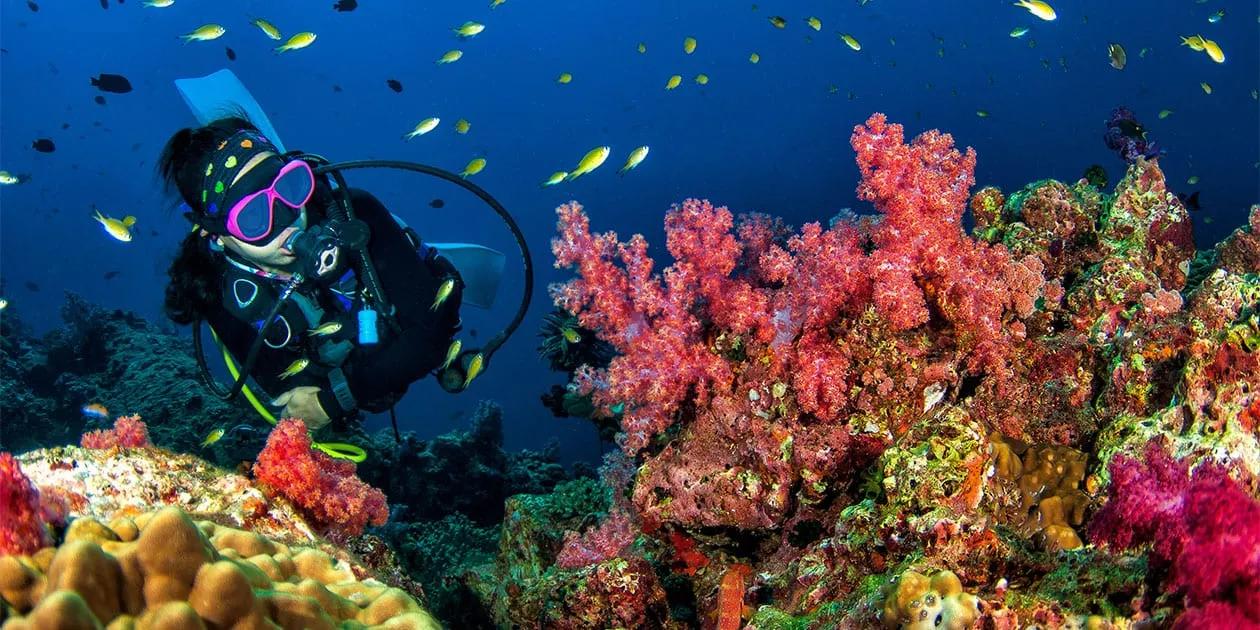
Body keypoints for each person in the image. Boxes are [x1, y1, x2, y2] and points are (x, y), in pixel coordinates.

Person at [158, 115, 464, 430]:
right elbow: (295, 398)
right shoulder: (217, 293)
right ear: (215, 234)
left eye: (289, 188)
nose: (287, 219)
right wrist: (346, 394)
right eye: (253, 216)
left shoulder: (354, 214)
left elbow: (432, 335)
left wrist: (333, 400)